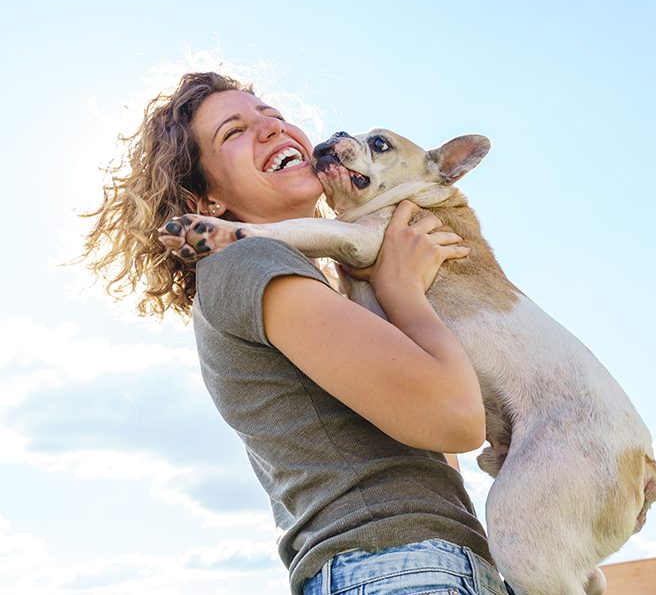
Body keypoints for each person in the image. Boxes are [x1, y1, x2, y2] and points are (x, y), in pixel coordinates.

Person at [82, 72, 509, 595]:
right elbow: (457, 420)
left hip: (425, 564)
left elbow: (432, 451)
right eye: (233, 132)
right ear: (208, 201)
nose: (270, 129)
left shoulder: (323, 287)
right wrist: (402, 289)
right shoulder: (250, 260)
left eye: (275, 116)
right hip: (396, 567)